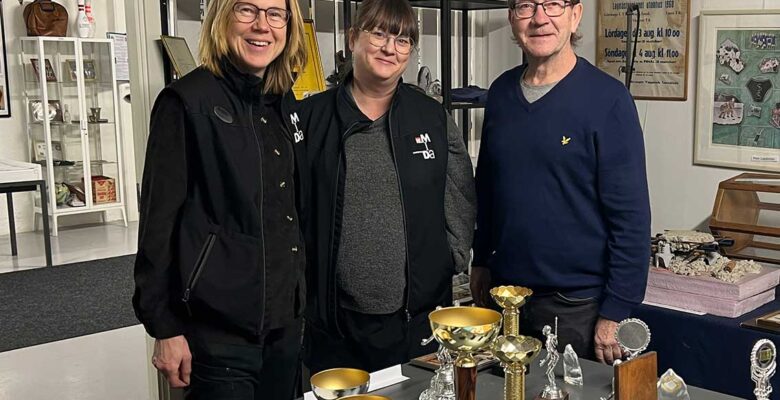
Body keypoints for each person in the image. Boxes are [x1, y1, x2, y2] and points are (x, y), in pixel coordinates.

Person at [132, 0, 307, 398]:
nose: (262, 25)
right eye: (247, 10)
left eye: (275, 13)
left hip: (284, 327)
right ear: (222, 18)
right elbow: (157, 226)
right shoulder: (186, 102)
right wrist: (164, 327)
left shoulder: (282, 101)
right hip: (218, 334)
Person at [299, 0, 476, 374]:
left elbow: (460, 195)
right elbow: (293, 212)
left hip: (417, 319)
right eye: (378, 34)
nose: (389, 48)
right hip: (334, 322)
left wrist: (451, 259)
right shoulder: (312, 118)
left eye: (402, 39)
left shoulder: (431, 117)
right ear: (353, 39)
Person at [470, 0, 651, 365]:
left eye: (552, 4)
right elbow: (488, 189)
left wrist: (616, 310)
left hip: (575, 307)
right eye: (526, 6)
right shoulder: (501, 93)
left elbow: (631, 219)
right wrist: (481, 259)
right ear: (512, 17)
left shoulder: (608, 100)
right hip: (506, 298)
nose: (540, 19)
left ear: (575, 14)